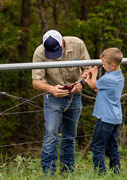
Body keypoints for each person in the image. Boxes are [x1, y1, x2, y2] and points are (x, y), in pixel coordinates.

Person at [32, 30, 90, 175]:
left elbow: (88, 69)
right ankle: (49, 173)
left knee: (70, 135)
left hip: (75, 96)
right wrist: (52, 89)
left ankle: (68, 172)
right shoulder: (39, 52)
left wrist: (81, 83)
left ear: (62, 42)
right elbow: (36, 82)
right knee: (51, 133)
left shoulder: (77, 44)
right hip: (53, 97)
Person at [84, 47, 124, 174]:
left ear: (112, 65)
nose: (103, 66)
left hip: (105, 119)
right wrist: (89, 79)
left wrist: (93, 74)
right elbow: (99, 89)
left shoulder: (108, 79)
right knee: (112, 147)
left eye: (104, 64)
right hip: (115, 118)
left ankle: (100, 173)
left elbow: (93, 85)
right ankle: (116, 172)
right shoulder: (119, 76)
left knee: (97, 147)